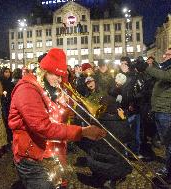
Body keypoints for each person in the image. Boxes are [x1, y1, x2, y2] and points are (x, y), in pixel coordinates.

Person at [8, 48, 106, 189]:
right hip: (32, 157)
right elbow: (43, 127)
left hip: (51, 152)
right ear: (44, 71)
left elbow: (58, 119)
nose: (59, 80)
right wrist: (82, 131)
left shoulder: (48, 88)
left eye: (62, 76)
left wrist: (66, 106)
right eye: (56, 75)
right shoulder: (27, 90)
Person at [134, 47, 171, 187]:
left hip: (168, 112)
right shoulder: (168, 68)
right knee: (168, 144)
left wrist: (147, 67)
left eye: (167, 54)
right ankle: (169, 168)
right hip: (161, 111)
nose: (163, 56)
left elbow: (164, 77)